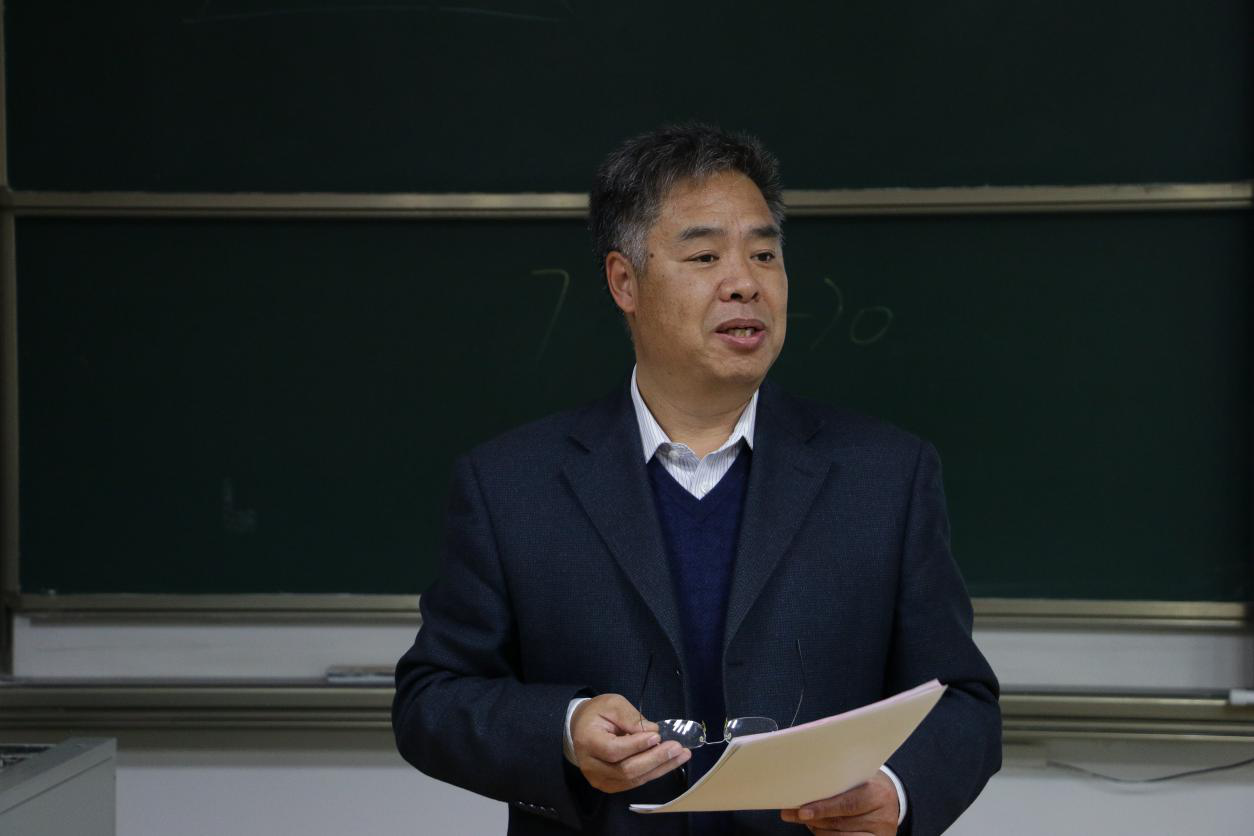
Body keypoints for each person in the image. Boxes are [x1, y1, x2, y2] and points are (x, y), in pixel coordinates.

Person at [393, 123, 1001, 835]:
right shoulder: (512, 484)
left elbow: (961, 701)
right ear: (624, 282)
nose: (745, 283)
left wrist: (897, 791)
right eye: (706, 255)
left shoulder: (885, 475)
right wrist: (563, 727)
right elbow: (432, 700)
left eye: (764, 254)